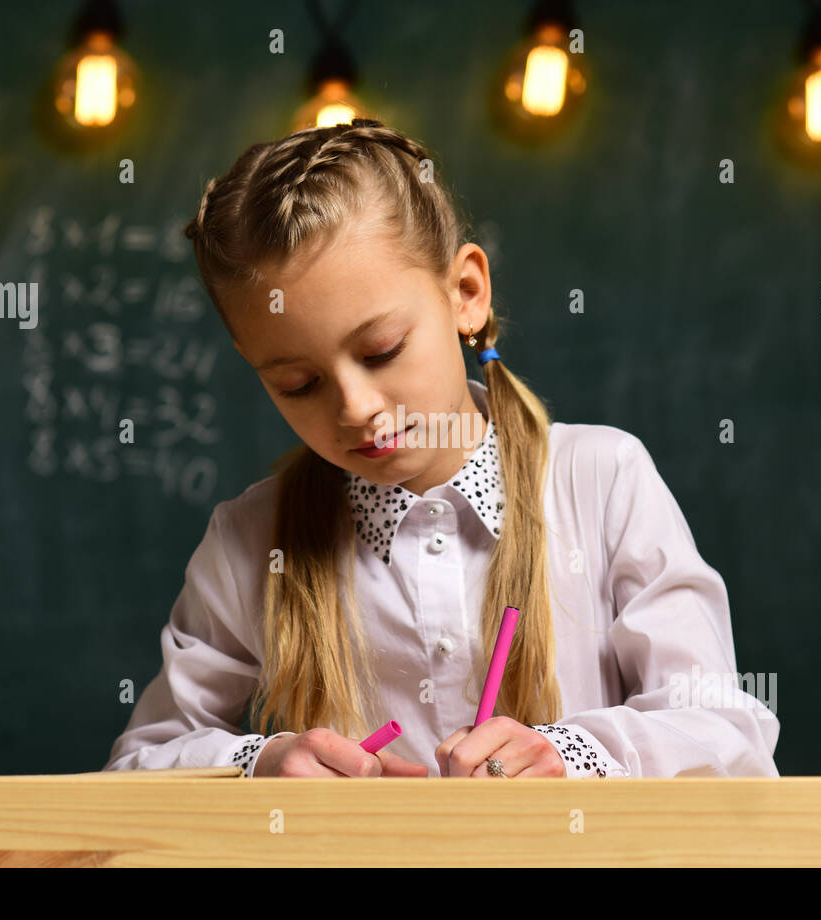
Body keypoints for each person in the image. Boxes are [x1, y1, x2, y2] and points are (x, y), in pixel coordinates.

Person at [104, 118, 779, 779]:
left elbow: (729, 733)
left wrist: (573, 754)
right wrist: (260, 761)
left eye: (381, 350)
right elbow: (136, 767)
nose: (356, 408)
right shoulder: (250, 541)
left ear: (466, 295)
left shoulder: (603, 482)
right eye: (299, 383)